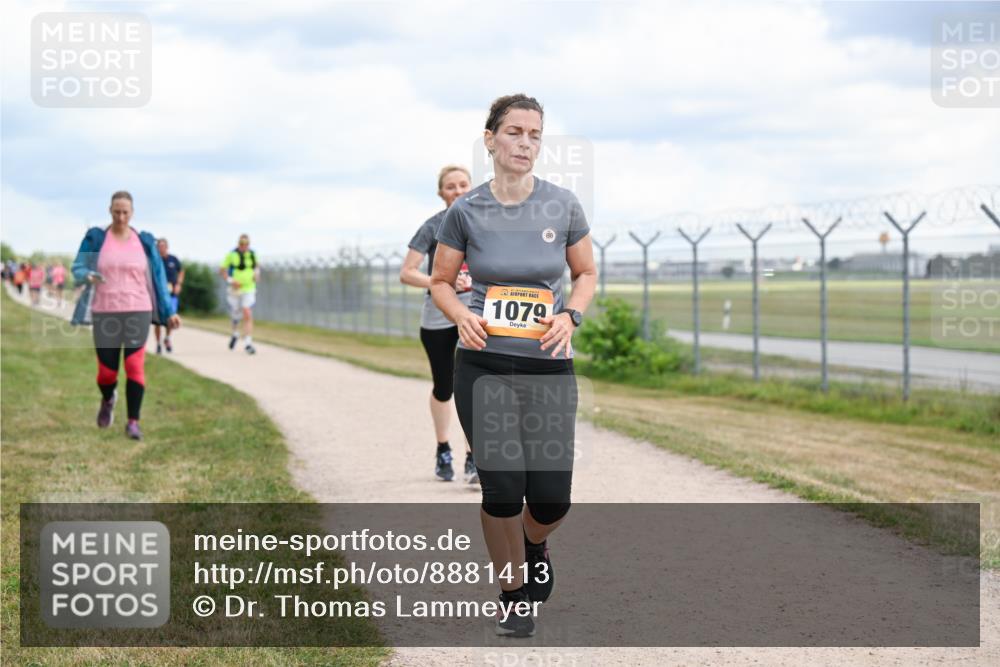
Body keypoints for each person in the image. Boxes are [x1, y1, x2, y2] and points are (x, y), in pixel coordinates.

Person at [431, 94, 597, 637]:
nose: (525, 143)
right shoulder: (465, 211)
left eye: (534, 134)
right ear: (490, 139)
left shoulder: (563, 205)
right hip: (484, 365)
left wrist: (570, 315)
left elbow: (586, 273)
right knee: (501, 488)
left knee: (551, 499)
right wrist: (461, 315)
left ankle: (532, 541)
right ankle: (512, 594)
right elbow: (440, 281)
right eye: (514, 132)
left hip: (548, 365)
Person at [71, 190, 181, 440]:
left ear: (132, 213)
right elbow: (77, 267)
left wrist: (169, 312)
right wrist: (87, 275)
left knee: (134, 365)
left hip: (138, 309)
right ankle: (108, 398)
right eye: (116, 212)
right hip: (105, 310)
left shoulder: (144, 242)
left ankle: (133, 422)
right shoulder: (96, 238)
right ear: (109, 210)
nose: (121, 217)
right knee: (106, 374)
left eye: (125, 212)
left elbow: (159, 278)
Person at [400, 165, 479, 484]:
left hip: (474, 315)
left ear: (472, 188)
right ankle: (443, 449)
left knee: (472, 385)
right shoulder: (432, 226)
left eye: (463, 185)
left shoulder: (485, 223)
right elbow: (407, 272)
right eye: (450, 186)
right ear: (440, 193)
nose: (458, 191)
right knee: (444, 386)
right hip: (437, 317)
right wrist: (439, 280)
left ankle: (474, 457)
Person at [219, 234, 259, 354]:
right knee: (236, 313)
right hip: (235, 289)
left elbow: (256, 267)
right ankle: (235, 333)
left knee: (247, 312)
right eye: (242, 244)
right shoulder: (231, 255)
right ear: (238, 244)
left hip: (249, 288)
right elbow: (222, 270)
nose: (244, 246)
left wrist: (256, 274)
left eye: (246, 244)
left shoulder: (252, 254)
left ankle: (248, 343)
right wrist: (231, 280)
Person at [154, 238, 184, 354]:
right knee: (157, 321)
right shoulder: (155, 260)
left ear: (167, 247)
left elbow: (181, 271)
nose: (161, 248)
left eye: (163, 246)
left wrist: (179, 284)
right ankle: (158, 344)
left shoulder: (173, 259)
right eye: (159, 246)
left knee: (171, 319)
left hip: (171, 294)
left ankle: (167, 338)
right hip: (158, 295)